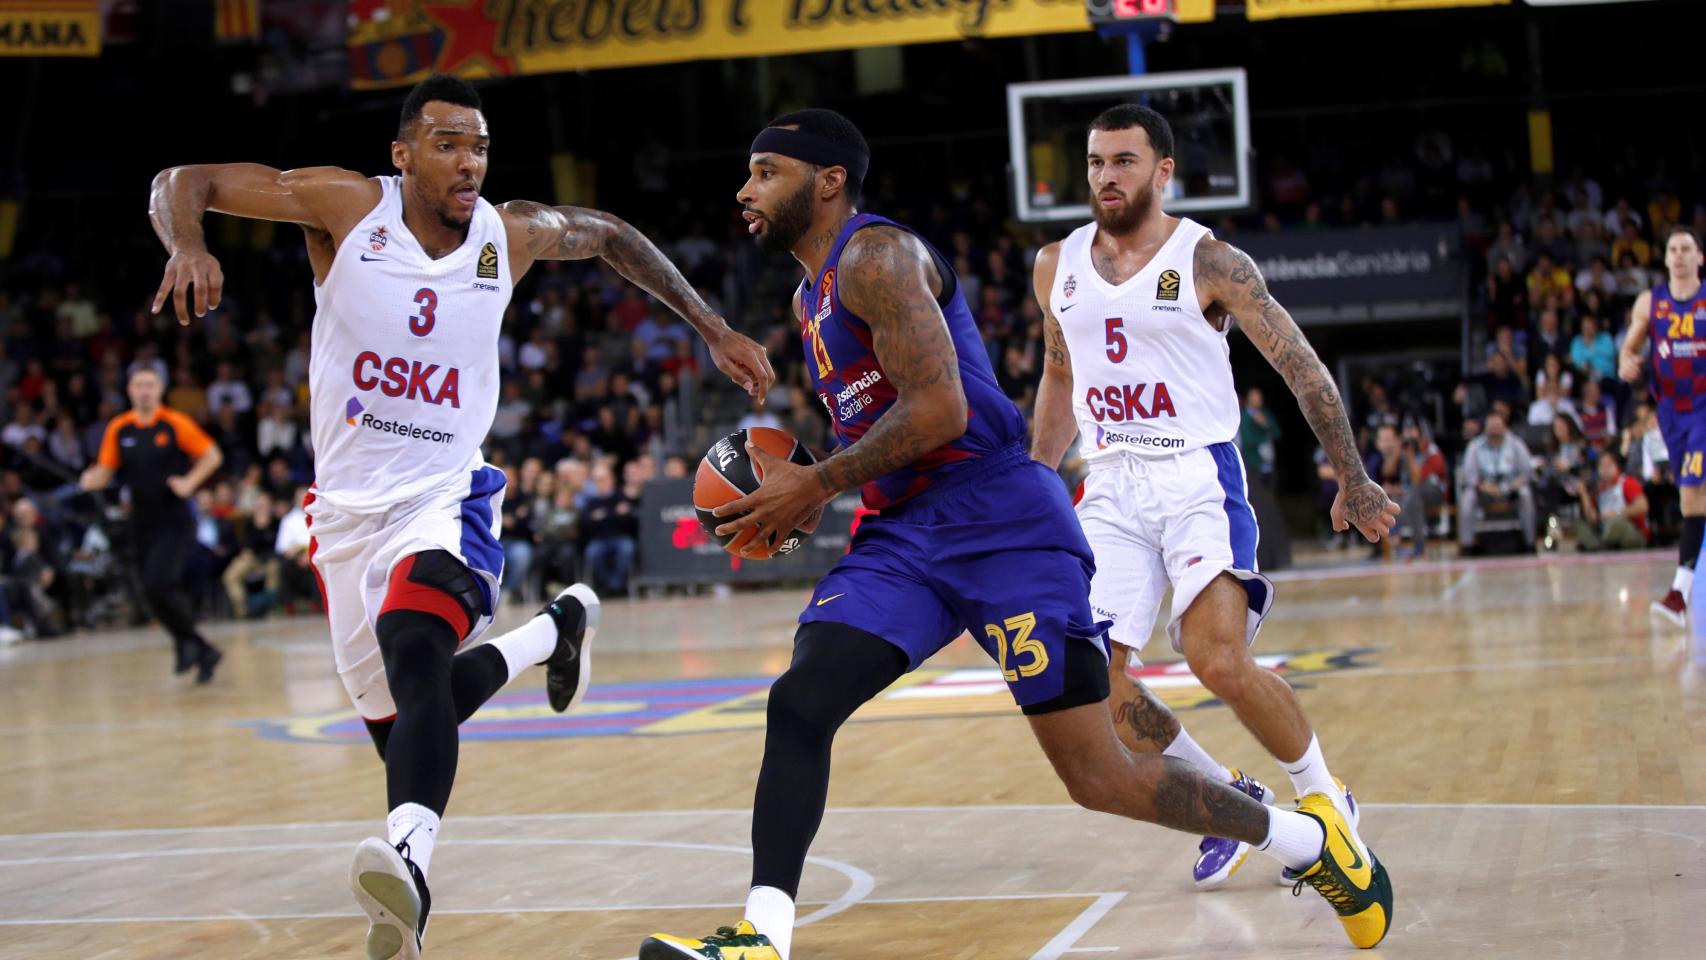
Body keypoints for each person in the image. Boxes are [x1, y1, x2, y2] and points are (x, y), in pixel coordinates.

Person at [640, 109, 1392, 960]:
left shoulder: (879, 258)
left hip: (1003, 519)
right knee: (801, 701)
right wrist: (820, 489)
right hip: (907, 528)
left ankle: (1307, 836)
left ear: (828, 181)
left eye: (766, 170)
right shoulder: (808, 296)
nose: (745, 188)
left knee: (1101, 777)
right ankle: (760, 937)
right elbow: (976, 400)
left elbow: (942, 411)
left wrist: (815, 481)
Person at [148, 74, 773, 960]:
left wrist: (711, 326)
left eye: (478, 145)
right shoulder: (343, 207)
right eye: (447, 144)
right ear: (403, 156)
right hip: (346, 512)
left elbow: (611, 237)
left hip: (446, 493)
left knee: (416, 642)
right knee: (408, 716)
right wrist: (189, 242)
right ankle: (553, 633)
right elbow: (183, 178)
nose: (469, 162)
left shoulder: (507, 234)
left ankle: (409, 865)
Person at [1027, 103, 1394, 920]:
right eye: (1094, 163)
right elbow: (1059, 377)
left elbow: (1303, 369)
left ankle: (1328, 800)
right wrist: (1030, 481)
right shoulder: (1056, 266)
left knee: (1214, 659)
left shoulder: (1213, 260)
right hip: (1111, 482)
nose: (1105, 177)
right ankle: (1230, 798)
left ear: (1162, 171)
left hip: (1196, 475)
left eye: (1123, 161)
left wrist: (1353, 477)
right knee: (1098, 680)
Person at [79, 367, 224, 681]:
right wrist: (91, 480)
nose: (144, 390)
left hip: (174, 520)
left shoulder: (174, 423)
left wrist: (189, 482)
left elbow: (212, 455)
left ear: (160, 389)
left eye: (150, 385)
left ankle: (189, 644)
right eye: (138, 385)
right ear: (129, 390)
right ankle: (196, 646)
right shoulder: (120, 428)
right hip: (141, 521)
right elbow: (104, 471)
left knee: (158, 582)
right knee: (149, 589)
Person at [1619, 226, 1706, 625]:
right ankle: (1681, 595)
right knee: (1694, 500)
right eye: (1673, 249)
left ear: (1699, 258)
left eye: (1687, 249)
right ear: (1666, 257)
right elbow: (1630, 348)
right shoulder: (1649, 303)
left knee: (1692, 498)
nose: (1680, 255)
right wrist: (1626, 361)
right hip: (1671, 412)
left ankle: (1679, 594)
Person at [1458, 411, 1536, 552]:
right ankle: (1467, 545)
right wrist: (1485, 488)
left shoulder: (1516, 444)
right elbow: (1469, 475)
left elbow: (1527, 471)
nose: (1495, 431)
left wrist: (1513, 486)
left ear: (1504, 427)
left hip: (1511, 489)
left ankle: (1529, 543)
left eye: (1497, 427)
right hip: (1484, 490)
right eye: (1491, 427)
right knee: (1467, 499)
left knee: (1526, 494)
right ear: (1485, 428)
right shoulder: (1475, 446)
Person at [1574, 450, 1648, 552]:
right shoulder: (1598, 490)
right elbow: (1592, 518)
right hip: (1605, 529)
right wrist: (1584, 495)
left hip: (1630, 530)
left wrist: (1617, 514)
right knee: (1580, 524)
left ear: (1617, 467)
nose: (1605, 470)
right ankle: (1596, 545)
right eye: (1602, 466)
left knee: (1617, 523)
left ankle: (1597, 545)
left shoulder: (1627, 483)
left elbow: (1642, 507)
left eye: (1608, 466)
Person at [1238, 387, 1280, 490]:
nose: (1257, 401)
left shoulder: (1265, 414)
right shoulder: (1244, 418)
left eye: (1259, 398)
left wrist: (1265, 424)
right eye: (1254, 399)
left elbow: (1277, 434)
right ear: (1249, 400)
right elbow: (1246, 441)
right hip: (1252, 464)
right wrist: (1263, 439)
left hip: (1268, 463)